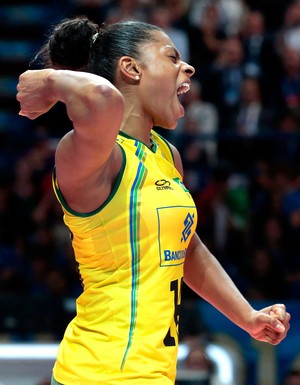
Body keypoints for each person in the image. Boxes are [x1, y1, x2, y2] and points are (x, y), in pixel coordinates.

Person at [16, 16, 291, 385]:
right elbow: (101, 98)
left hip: (152, 372)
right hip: (101, 373)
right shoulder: (94, 155)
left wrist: (247, 316)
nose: (187, 66)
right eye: (172, 57)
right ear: (130, 69)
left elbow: (185, 248)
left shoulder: (166, 154)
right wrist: (48, 79)